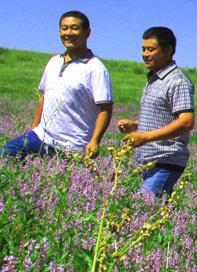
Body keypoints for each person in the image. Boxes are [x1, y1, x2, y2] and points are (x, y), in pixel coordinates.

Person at [1, 11, 113, 160]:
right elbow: (44, 96)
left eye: (74, 28)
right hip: (39, 137)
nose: (68, 33)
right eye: (64, 28)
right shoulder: (54, 62)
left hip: (71, 147)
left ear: (87, 32)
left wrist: (95, 141)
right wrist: (34, 128)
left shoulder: (96, 68)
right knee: (4, 156)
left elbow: (105, 109)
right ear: (59, 31)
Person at [117, 27, 195, 197]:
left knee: (144, 209)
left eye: (151, 49)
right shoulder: (154, 79)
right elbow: (167, 117)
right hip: (148, 160)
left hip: (166, 159)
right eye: (143, 49)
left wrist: (145, 137)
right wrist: (136, 125)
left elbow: (186, 121)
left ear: (168, 50)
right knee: (157, 216)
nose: (145, 54)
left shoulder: (178, 81)